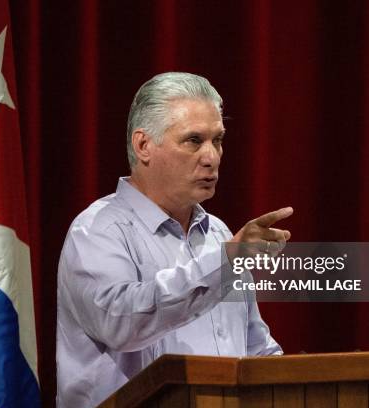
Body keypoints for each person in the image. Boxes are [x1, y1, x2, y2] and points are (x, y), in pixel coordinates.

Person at [56, 72, 293, 407]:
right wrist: (224, 263)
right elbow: (124, 322)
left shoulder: (219, 235)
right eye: (194, 140)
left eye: (218, 140)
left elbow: (254, 349)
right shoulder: (97, 230)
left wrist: (293, 385)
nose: (211, 157)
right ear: (143, 146)